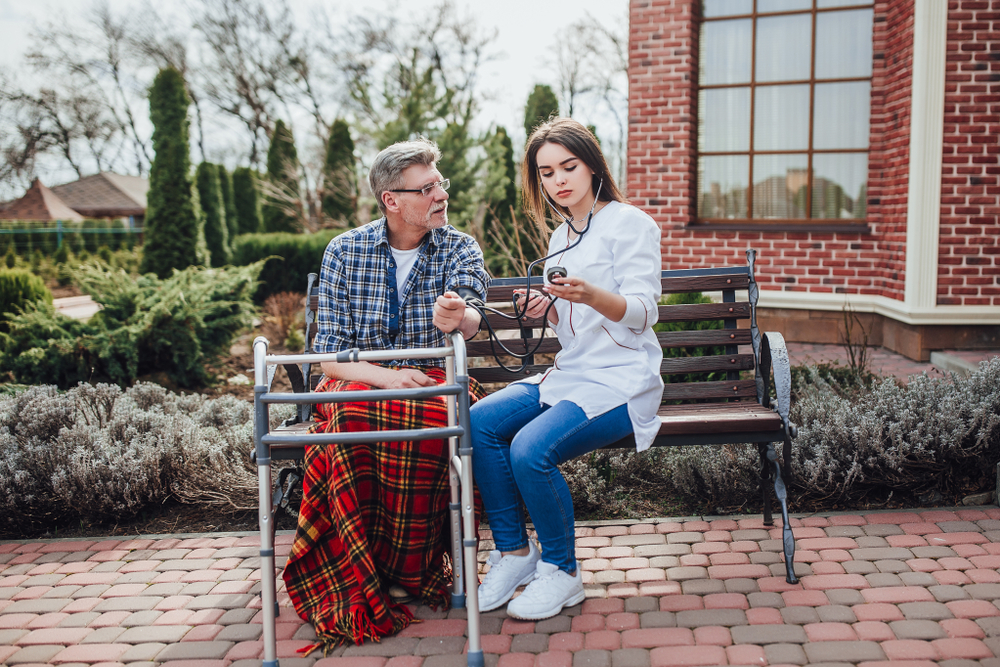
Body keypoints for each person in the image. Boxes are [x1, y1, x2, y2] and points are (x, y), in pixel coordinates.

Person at [282, 138, 490, 651]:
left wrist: (456, 317)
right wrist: (384, 376)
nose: (441, 194)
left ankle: (409, 570)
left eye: (440, 183)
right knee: (352, 411)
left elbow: (472, 316)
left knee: (430, 421)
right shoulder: (345, 251)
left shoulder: (460, 247)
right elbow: (326, 355)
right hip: (357, 380)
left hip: (435, 379)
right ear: (391, 200)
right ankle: (357, 569)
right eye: (427, 188)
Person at [470, 118, 663, 620]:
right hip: (572, 373)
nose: (559, 180)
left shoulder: (631, 223)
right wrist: (547, 308)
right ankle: (515, 554)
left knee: (530, 450)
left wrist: (590, 293)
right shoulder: (561, 234)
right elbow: (573, 323)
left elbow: (643, 312)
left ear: (593, 165)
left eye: (569, 166)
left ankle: (562, 571)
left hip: (622, 381)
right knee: (481, 422)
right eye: (547, 171)